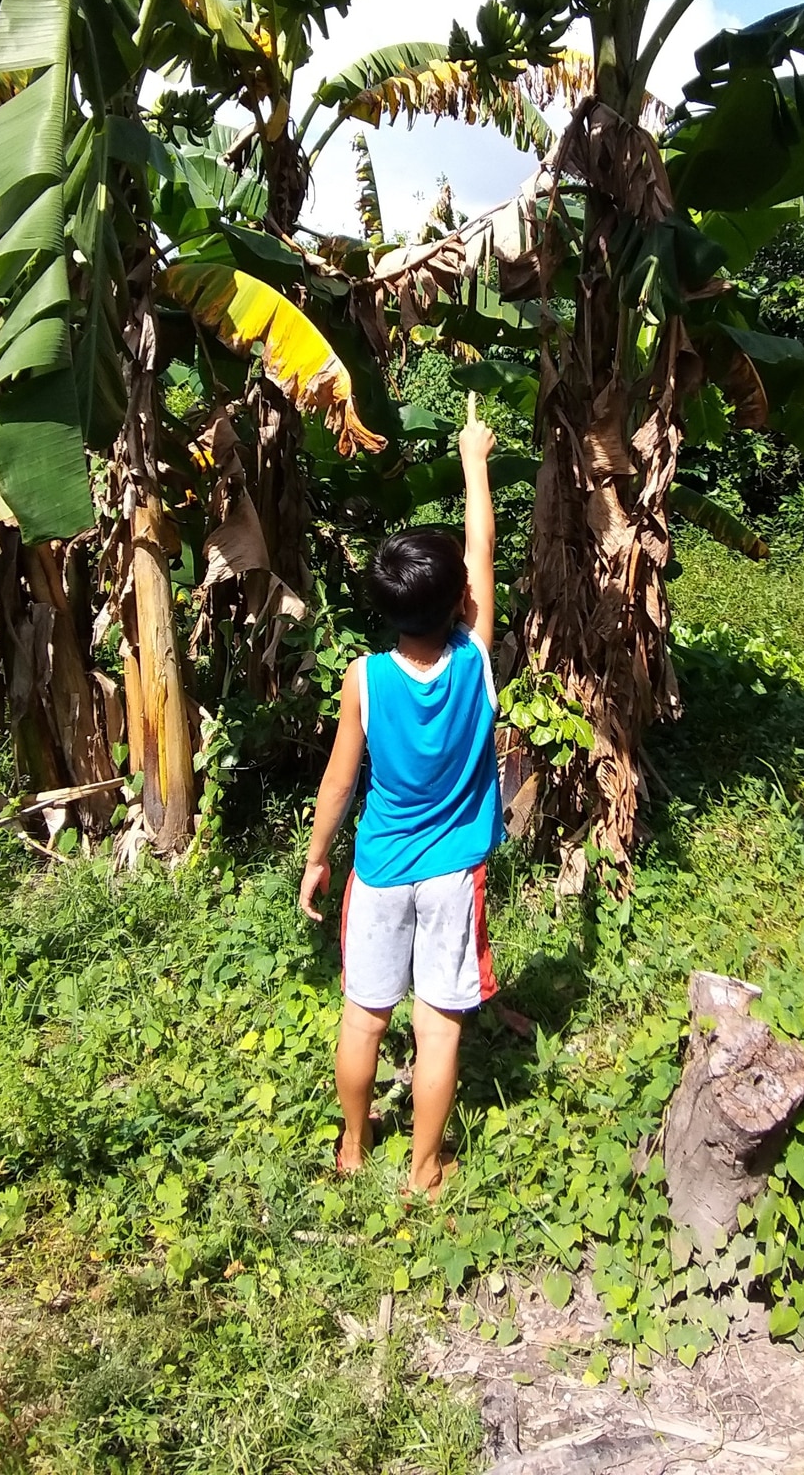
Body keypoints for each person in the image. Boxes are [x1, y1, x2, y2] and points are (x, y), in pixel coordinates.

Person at [299, 392, 501, 1196]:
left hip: (379, 868)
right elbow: (481, 553)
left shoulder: (365, 679)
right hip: (454, 871)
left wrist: (317, 858)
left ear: (381, 610)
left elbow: (339, 781)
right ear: (458, 605)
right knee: (439, 1023)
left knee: (365, 1014)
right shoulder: (476, 662)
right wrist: (473, 460)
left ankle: (353, 1147)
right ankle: (424, 1168)